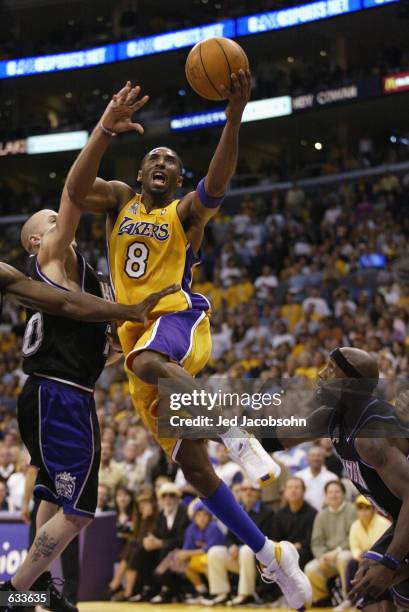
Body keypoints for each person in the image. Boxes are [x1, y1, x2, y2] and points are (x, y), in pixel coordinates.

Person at [62, 76, 312, 608]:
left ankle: (235, 431)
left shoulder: (185, 215)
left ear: (179, 178)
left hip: (178, 317)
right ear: (138, 172)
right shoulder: (120, 202)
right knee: (195, 470)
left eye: (170, 160)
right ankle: (272, 557)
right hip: (133, 335)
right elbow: (76, 191)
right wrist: (105, 128)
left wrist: (233, 117)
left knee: (150, 357)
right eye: (152, 156)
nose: (160, 162)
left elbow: (217, 184)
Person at [0, 184, 179, 612]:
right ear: (36, 241)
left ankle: (36, 588)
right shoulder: (51, 257)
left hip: (60, 392)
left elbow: (107, 349)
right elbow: (73, 199)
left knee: (51, 494)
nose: (59, 222)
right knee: (80, 510)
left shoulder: (90, 275)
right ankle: (13, 594)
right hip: (59, 392)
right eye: (50, 221)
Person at [266, 346, 409, 610]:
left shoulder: (371, 436)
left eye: (331, 369)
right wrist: (213, 430)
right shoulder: (333, 418)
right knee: (368, 584)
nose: (321, 374)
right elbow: (275, 437)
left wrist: (390, 564)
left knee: (375, 576)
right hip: (400, 520)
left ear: (351, 383)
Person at [204, 478, 274, 607]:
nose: (248, 492)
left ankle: (245, 595)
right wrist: (231, 546)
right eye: (244, 489)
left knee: (247, 550)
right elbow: (229, 537)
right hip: (239, 557)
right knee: (215, 552)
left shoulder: (268, 513)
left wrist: (240, 547)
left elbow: (266, 540)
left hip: (258, 562)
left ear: (259, 493)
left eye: (252, 489)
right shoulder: (236, 510)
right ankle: (221, 593)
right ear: (240, 492)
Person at [304, 480, 355, 605]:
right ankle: (324, 598)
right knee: (310, 569)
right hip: (327, 557)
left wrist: (337, 551)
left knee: (343, 558)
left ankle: (348, 598)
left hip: (346, 552)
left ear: (343, 494)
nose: (333, 495)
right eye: (330, 492)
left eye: (337, 491)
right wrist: (321, 556)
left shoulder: (351, 510)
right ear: (326, 496)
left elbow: (353, 537)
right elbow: (316, 542)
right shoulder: (321, 515)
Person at [271, 477, 316, 570]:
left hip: (303, 551)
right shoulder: (279, 515)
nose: (293, 490)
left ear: (303, 491)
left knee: (298, 555)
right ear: (285, 492)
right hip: (283, 550)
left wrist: (293, 547)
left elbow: (310, 540)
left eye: (297, 487)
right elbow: (274, 539)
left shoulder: (312, 513)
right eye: (290, 487)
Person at [295, 445, 339, 510]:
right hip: (303, 514)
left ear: (323, 458)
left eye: (319, 456)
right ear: (307, 459)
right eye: (313, 455)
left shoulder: (332, 478)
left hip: (326, 513)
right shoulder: (298, 476)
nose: (316, 458)